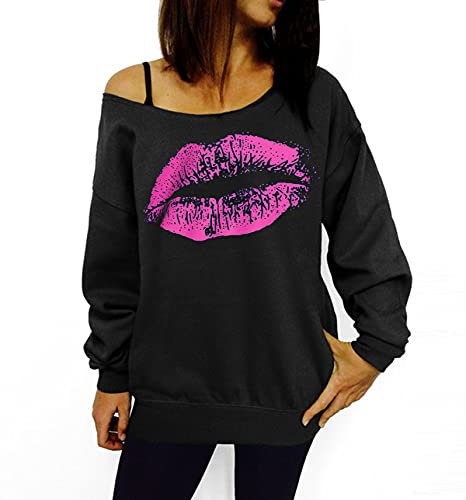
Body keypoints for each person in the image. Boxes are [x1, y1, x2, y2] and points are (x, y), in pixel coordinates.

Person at [81, 0, 413, 498]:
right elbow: (113, 251)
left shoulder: (316, 95)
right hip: (167, 385)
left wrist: (376, 347)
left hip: (289, 384)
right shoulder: (133, 94)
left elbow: (364, 225)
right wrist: (113, 371)